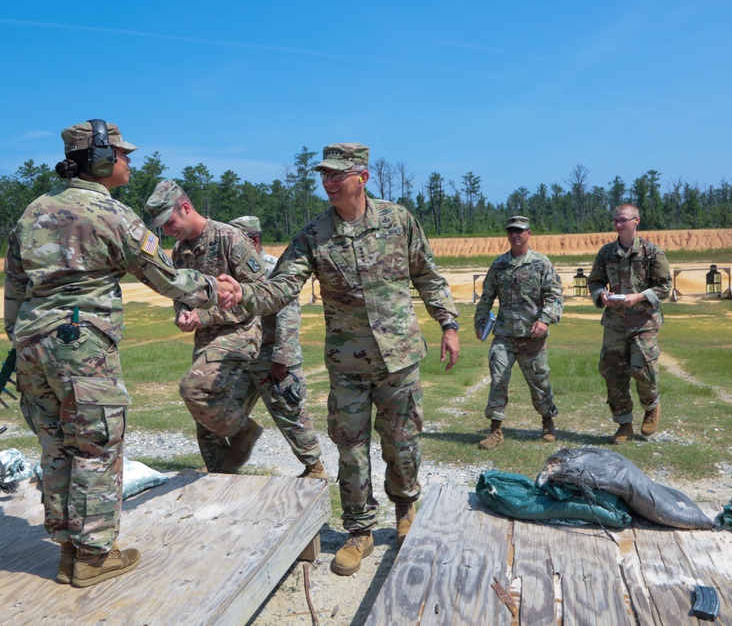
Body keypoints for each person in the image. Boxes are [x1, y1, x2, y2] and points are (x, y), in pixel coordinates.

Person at [218, 143, 460, 576]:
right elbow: (282, 286)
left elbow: (427, 274)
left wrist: (448, 323)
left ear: (361, 177)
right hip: (347, 365)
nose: (328, 183)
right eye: (324, 176)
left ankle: (406, 511)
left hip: (399, 358)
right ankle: (359, 531)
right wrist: (244, 294)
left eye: (336, 175)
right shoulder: (314, 235)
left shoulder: (397, 219)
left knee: (402, 442)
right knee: (350, 449)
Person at [5, 120, 225, 588]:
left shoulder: (33, 211)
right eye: (123, 155)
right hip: (80, 345)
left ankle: (68, 550)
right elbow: (165, 277)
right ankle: (94, 556)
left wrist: (21, 337)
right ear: (102, 161)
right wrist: (216, 288)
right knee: (97, 445)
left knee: (57, 445)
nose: (129, 161)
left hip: (31, 344)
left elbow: (14, 285)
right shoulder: (112, 214)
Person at [145, 182, 266, 474]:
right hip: (207, 339)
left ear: (186, 208)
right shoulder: (179, 251)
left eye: (170, 222)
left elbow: (260, 294)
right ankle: (220, 478)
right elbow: (181, 293)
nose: (167, 231)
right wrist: (183, 313)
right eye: (161, 227)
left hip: (240, 332)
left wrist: (206, 317)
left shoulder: (229, 237)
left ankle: (245, 432)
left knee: (194, 389)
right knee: (205, 423)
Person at [228, 215, 326, 480]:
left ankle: (314, 468)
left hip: (273, 359)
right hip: (243, 357)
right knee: (226, 411)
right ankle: (221, 464)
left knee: (290, 414)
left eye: (236, 242)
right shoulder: (234, 272)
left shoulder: (275, 269)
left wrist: (282, 359)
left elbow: (288, 316)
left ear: (254, 240)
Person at [474, 215, 564, 449]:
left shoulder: (541, 263)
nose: (515, 235)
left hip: (532, 337)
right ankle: (495, 430)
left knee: (539, 381)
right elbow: (486, 296)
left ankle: (547, 422)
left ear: (528, 234)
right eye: (511, 231)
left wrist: (545, 320)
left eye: (519, 231)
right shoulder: (499, 265)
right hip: (504, 335)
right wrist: (480, 320)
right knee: (498, 378)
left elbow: (555, 296)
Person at [587, 203, 672, 444]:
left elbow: (665, 287)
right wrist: (600, 295)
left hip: (643, 321)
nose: (618, 224)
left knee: (642, 369)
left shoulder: (652, 252)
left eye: (623, 220)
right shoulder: (606, 253)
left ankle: (651, 406)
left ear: (636, 221)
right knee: (613, 371)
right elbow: (594, 281)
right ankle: (624, 425)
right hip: (615, 322)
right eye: (615, 220)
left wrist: (639, 296)